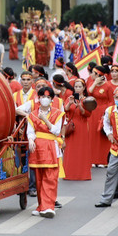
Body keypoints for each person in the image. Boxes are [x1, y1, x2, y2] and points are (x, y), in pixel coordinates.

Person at [26, 87, 63, 218]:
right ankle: (41, 205)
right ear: (38, 98)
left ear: (52, 99)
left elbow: (56, 131)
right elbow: (30, 130)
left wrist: (45, 120)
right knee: (39, 179)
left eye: (47, 97)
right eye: (42, 97)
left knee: (50, 178)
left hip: (51, 147)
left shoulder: (57, 113)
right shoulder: (32, 114)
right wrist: (30, 139)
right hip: (37, 148)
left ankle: (48, 207)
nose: (45, 99)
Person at [61, 79, 93, 181]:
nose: (77, 89)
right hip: (71, 126)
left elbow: (88, 114)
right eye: (76, 87)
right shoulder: (69, 98)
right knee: (70, 150)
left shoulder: (87, 100)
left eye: (80, 87)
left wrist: (80, 107)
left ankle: (82, 174)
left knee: (81, 150)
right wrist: (70, 103)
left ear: (84, 88)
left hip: (82, 126)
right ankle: (69, 173)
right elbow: (64, 110)